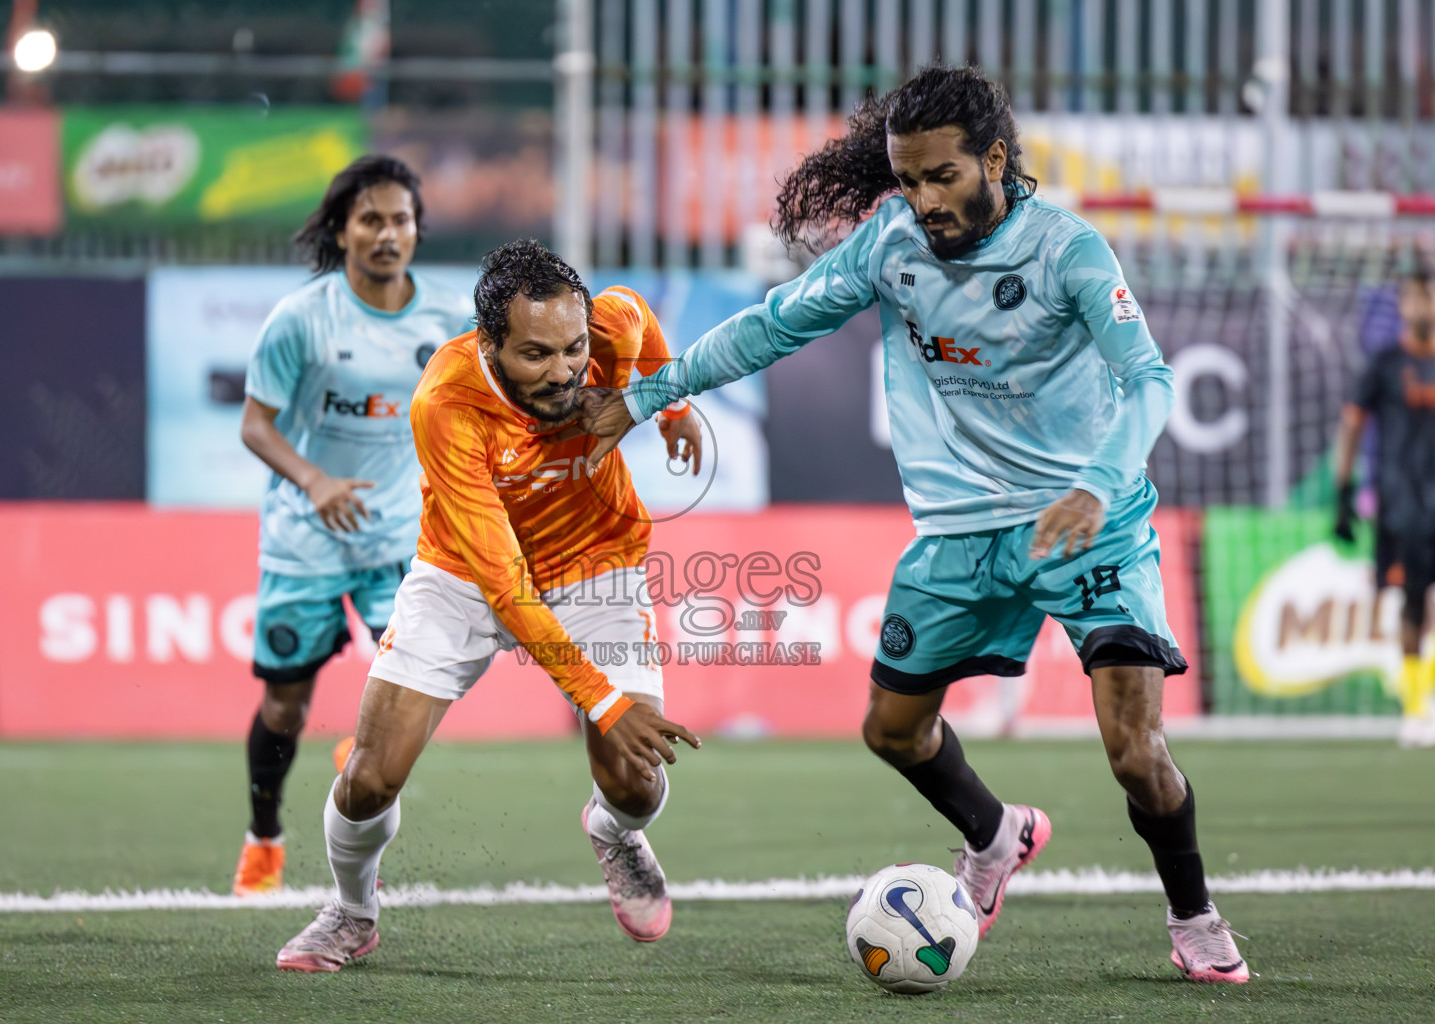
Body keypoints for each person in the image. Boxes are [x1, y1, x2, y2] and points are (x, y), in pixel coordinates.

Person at [569, 66, 1248, 983]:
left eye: (942, 177)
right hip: (962, 532)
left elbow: (1152, 379)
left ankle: (1195, 917)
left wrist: (1097, 480)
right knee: (892, 732)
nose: (924, 200)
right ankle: (995, 834)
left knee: (1136, 751)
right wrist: (651, 393)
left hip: (1089, 523)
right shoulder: (891, 243)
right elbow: (773, 326)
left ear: (995, 159)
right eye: (909, 179)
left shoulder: (1068, 251)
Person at [275, 239, 704, 972]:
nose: (565, 372)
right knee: (371, 774)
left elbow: (640, 321)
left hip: (596, 564)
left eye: (572, 350)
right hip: (466, 575)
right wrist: (603, 703)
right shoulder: (446, 403)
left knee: (636, 782)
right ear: (489, 343)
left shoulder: (608, 325)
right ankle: (350, 912)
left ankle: (616, 832)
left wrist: (672, 409)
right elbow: (506, 586)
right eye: (536, 355)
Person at [232, 155, 474, 896]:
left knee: (425, 681)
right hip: (305, 537)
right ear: (341, 232)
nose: (386, 233)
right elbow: (255, 425)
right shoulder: (302, 318)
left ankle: (365, 750)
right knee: (285, 703)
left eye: (400, 220)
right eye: (370, 219)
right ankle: (265, 836)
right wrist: (315, 481)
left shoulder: (448, 320)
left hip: (400, 536)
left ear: (416, 232)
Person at [1334, 269, 1435, 748]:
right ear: (1402, 305)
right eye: (1415, 297)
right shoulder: (1384, 363)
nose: (1423, 306)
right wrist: (1342, 492)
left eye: (1429, 297)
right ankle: (1416, 708)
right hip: (1402, 503)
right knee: (1412, 603)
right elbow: (1352, 424)